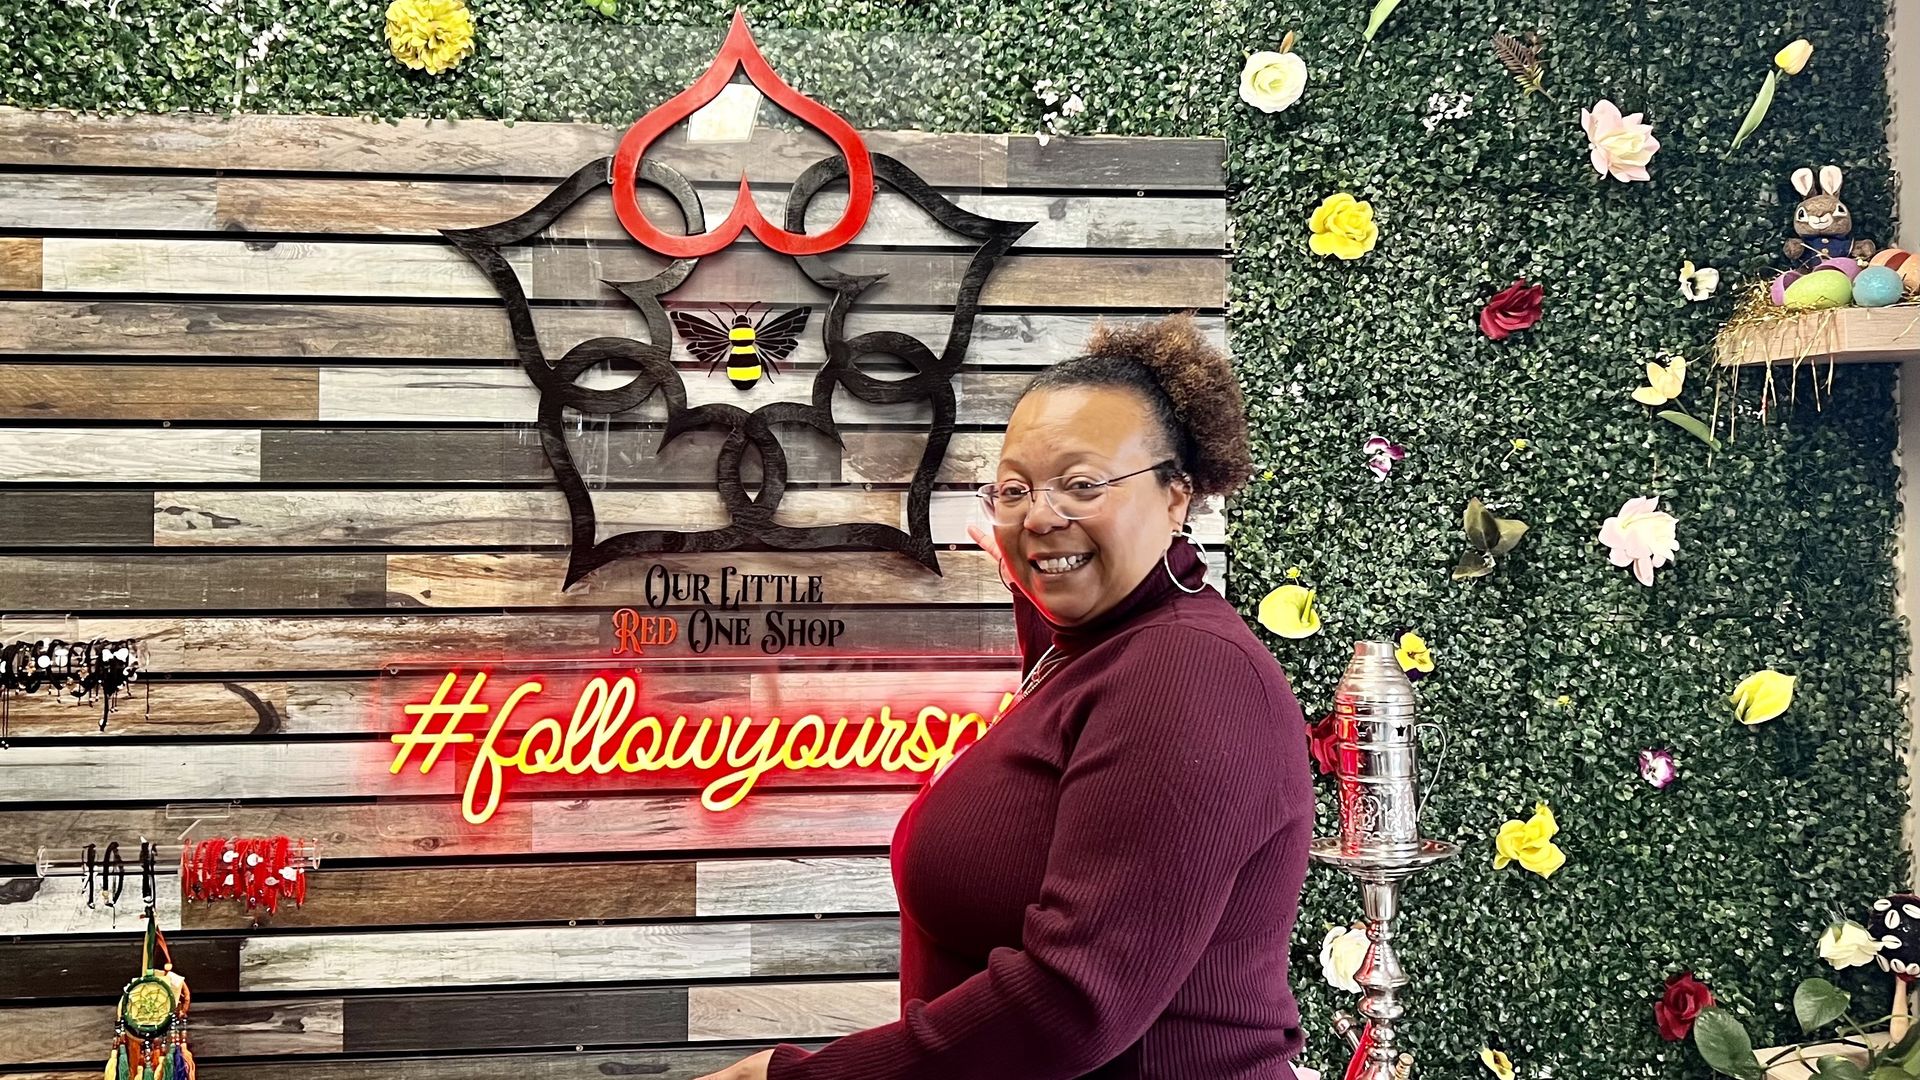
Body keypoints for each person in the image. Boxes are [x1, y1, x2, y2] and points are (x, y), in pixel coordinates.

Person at [697, 314, 1313, 1079]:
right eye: (1015, 489)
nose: (1040, 514)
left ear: (1176, 496)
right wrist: (1034, 567)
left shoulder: (1188, 673)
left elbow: (1072, 1002)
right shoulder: (1096, 649)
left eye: (1082, 484)